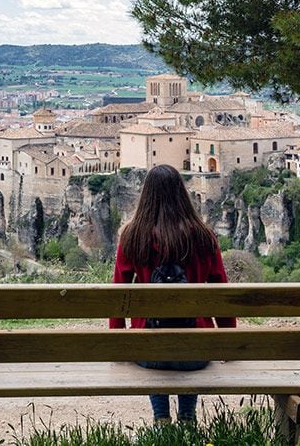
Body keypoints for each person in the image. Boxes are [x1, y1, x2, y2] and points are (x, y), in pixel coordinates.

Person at [108, 164, 236, 424]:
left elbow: (118, 294)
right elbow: (221, 290)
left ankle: (161, 418)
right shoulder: (204, 237)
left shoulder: (132, 237)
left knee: (154, 343)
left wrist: (118, 339)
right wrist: (227, 339)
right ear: (182, 193)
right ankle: (187, 417)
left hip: (148, 352)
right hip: (196, 351)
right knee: (185, 346)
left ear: (146, 196)